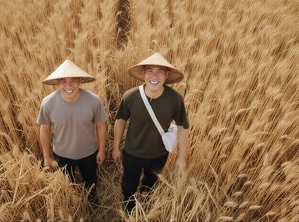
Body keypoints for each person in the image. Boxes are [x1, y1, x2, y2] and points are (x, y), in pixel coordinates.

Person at [112, 52, 190, 213]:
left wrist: (182, 157)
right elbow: (120, 121)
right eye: (150, 71)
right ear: (143, 74)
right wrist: (115, 148)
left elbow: (183, 127)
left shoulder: (175, 99)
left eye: (160, 72)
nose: (154, 76)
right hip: (132, 154)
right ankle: (129, 209)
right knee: (129, 184)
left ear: (166, 75)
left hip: (159, 155)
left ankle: (145, 207)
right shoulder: (131, 96)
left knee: (151, 183)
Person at [37, 59, 107, 205]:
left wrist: (101, 150)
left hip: (89, 154)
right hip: (62, 155)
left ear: (80, 81)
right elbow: (44, 129)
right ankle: (73, 204)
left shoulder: (94, 101)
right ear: (57, 83)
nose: (68, 85)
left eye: (73, 80)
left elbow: (101, 125)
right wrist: (47, 157)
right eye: (63, 81)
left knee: (91, 181)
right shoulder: (48, 103)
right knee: (68, 184)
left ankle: (92, 200)